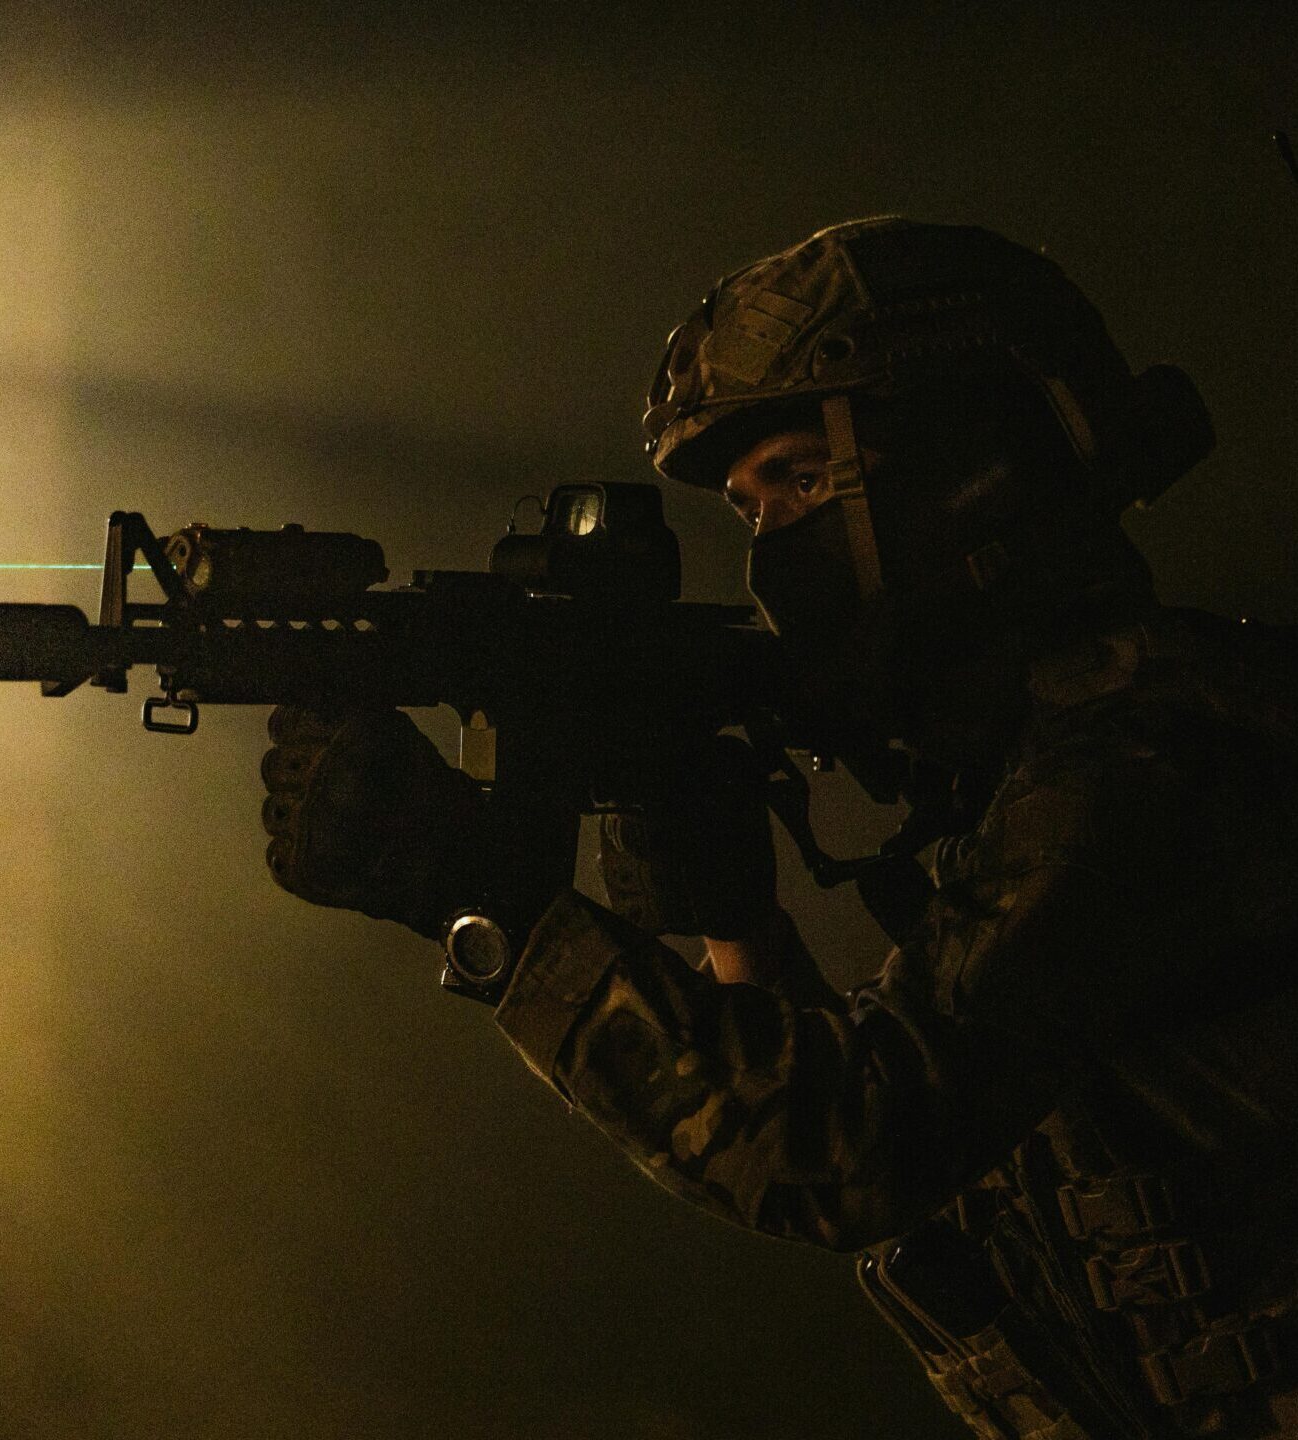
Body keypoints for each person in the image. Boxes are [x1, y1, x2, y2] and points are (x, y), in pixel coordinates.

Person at [259, 218, 1298, 1438]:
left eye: (803, 480)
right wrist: (731, 918)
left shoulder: (1142, 759)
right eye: (751, 513)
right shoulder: (1049, 759)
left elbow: (848, 1149)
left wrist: (480, 906)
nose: (774, 553)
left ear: (968, 462)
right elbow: (924, 1150)